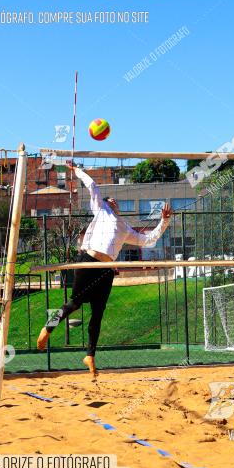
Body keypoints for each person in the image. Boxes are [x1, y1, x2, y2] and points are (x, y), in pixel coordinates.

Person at [37, 162, 172, 378]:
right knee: (74, 304)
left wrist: (164, 222)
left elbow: (149, 240)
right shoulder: (100, 210)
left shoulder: (125, 228)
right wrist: (75, 170)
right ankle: (48, 328)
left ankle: (90, 355)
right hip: (88, 261)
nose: (112, 201)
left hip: (106, 270)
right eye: (109, 200)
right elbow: (92, 186)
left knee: (97, 314)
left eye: (114, 201)